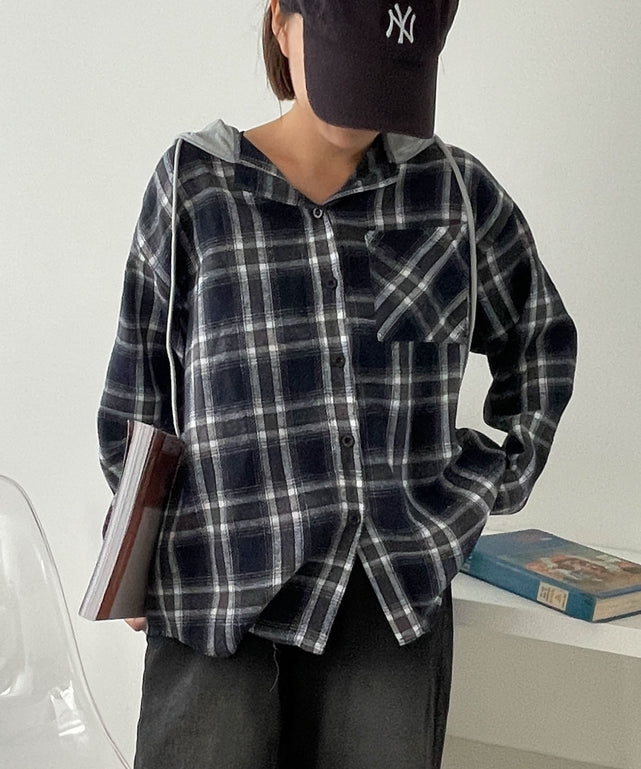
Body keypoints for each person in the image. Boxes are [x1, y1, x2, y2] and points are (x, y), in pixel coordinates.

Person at [97, 1, 578, 767]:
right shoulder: (196, 185)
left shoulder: (452, 192)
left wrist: (490, 477)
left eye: (391, 76)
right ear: (282, 24)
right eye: (349, 70)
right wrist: (131, 556)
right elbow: (139, 389)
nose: (364, 110)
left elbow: (539, 338)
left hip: (387, 595)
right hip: (217, 584)